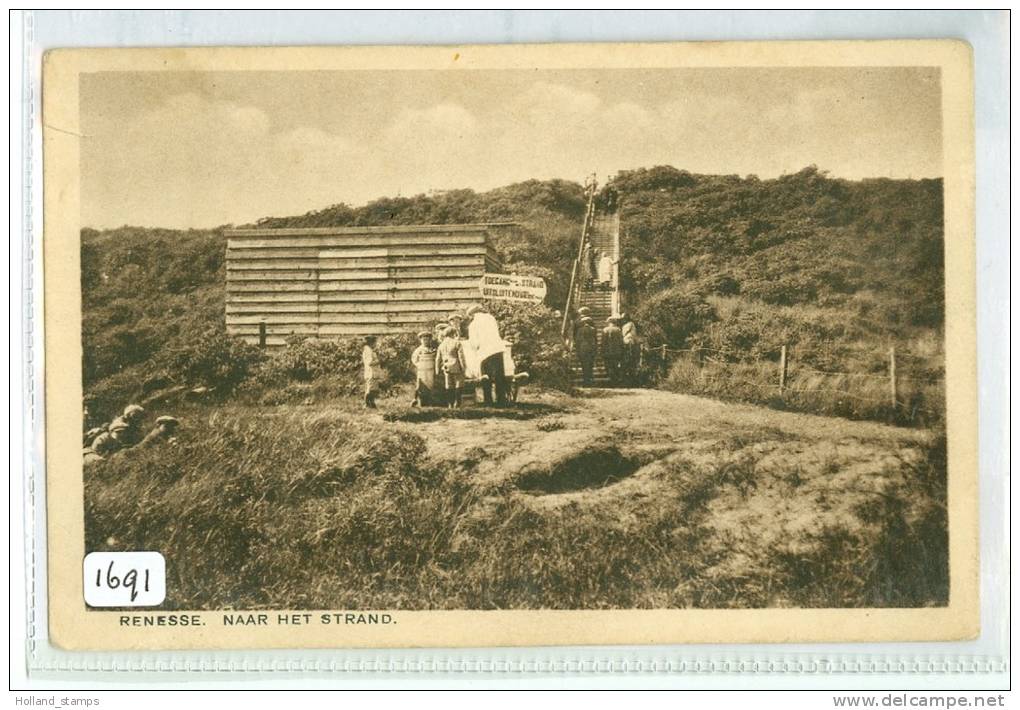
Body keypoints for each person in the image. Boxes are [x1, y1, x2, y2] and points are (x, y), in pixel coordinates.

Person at [465, 304, 508, 406]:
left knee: (486, 377)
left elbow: (475, 343)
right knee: (499, 376)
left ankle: (488, 401)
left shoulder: (473, 324)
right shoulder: (491, 318)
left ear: (472, 315)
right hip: (498, 349)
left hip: (485, 353)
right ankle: (501, 400)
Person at [435, 326, 467, 409]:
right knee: (458, 384)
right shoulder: (457, 343)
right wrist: (464, 367)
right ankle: (457, 403)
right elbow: (461, 357)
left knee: (449, 385)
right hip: (456, 366)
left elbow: (438, 359)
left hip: (446, 367)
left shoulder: (441, 345)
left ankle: (450, 404)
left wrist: (437, 369)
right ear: (453, 334)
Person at [410, 331, 438, 407]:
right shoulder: (418, 350)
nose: (426, 341)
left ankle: (430, 401)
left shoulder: (433, 349)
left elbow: (436, 359)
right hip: (422, 370)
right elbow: (414, 359)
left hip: (431, 370)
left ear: (430, 340)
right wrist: (418, 365)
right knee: (421, 386)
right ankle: (418, 400)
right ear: (421, 340)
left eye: (427, 339)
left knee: (431, 385)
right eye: (424, 340)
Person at [574, 315, 598, 385]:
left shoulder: (580, 330)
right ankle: (591, 379)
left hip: (583, 349)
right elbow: (595, 340)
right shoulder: (593, 329)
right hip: (591, 348)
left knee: (584, 365)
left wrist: (577, 349)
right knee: (590, 364)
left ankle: (586, 380)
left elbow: (577, 341)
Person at [601, 315, 625, 386]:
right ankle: (615, 380)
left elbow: (603, 342)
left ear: (609, 322)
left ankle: (611, 380)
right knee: (615, 365)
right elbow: (621, 341)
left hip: (608, 351)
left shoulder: (605, 330)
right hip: (617, 351)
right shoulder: (618, 330)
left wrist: (602, 350)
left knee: (609, 366)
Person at [620, 313, 641, 385]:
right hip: (627, 344)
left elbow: (630, 334)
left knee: (630, 362)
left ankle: (631, 380)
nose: (623, 320)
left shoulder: (630, 324)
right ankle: (628, 380)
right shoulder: (625, 325)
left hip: (630, 344)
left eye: (624, 318)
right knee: (627, 363)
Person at [362, 336, 381, 409]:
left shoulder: (370, 350)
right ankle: (366, 404)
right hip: (371, 372)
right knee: (370, 389)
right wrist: (378, 361)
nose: (375, 344)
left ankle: (372, 404)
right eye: (375, 342)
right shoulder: (368, 351)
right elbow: (369, 362)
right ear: (371, 343)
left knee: (372, 389)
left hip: (372, 372)